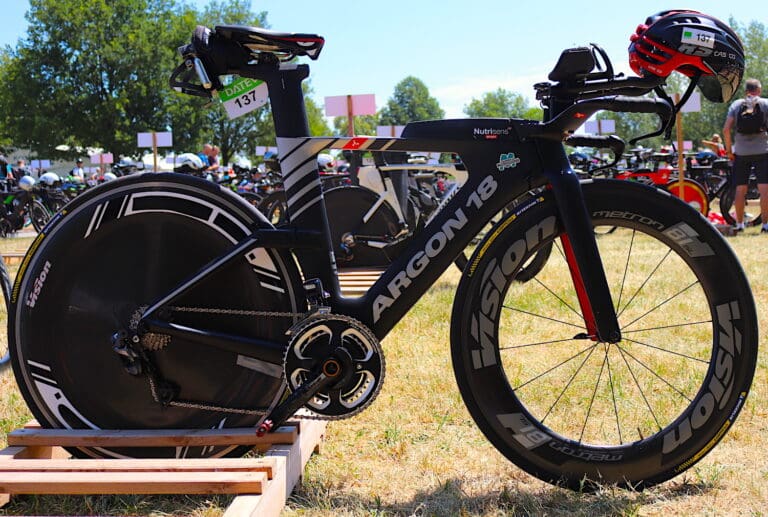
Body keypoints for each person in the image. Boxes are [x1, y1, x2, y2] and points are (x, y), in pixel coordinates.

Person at [723, 78, 768, 233]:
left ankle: (740, 225)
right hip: (763, 151)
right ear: (759, 90)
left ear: (745, 91)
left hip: (741, 152)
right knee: (764, 190)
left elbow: (726, 130)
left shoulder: (736, 105)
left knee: (740, 190)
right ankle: (765, 225)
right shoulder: (765, 103)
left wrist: (729, 151)